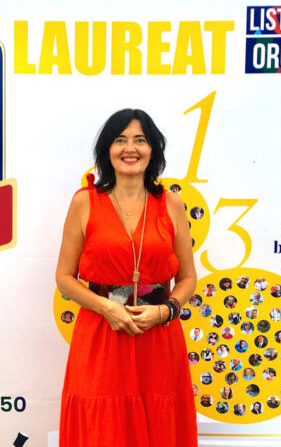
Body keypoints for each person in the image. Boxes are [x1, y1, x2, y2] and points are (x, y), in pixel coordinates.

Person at [57, 109, 197, 446]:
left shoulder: (172, 204)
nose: (130, 148)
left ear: (153, 150)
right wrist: (107, 308)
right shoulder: (85, 202)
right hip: (101, 334)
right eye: (120, 140)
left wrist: (165, 311)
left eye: (140, 140)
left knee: (160, 424)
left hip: (158, 338)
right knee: (101, 428)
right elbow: (64, 277)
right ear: (107, 149)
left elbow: (188, 277)